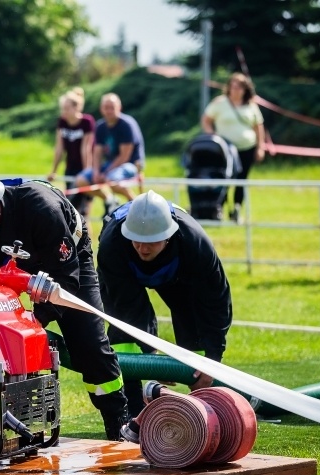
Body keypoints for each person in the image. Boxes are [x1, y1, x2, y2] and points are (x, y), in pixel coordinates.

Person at [0, 168, 130, 440]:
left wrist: (35, 318)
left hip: (65, 261)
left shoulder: (42, 209)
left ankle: (117, 421)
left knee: (88, 343)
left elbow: (67, 279)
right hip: (8, 264)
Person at [97, 190, 232, 418]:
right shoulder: (112, 245)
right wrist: (151, 358)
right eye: (137, 241)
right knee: (123, 333)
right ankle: (129, 413)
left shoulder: (195, 244)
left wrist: (212, 360)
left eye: (151, 242)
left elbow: (215, 302)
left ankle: (201, 411)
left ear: (169, 236)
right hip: (124, 279)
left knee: (194, 330)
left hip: (179, 277)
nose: (143, 248)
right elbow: (131, 310)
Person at [201, 73, 265, 223]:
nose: (236, 90)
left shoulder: (251, 105)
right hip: (224, 149)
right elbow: (206, 120)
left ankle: (236, 209)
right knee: (224, 178)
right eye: (233, 86)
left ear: (245, 89)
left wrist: (260, 147)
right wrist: (212, 136)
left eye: (239, 87)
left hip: (247, 147)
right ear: (228, 88)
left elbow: (258, 126)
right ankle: (219, 208)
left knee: (241, 180)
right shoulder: (219, 103)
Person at [75, 93, 140, 214]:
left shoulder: (127, 125)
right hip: (110, 165)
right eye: (106, 107)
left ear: (119, 108)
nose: (109, 111)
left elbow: (124, 156)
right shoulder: (100, 126)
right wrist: (95, 171)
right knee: (81, 181)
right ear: (101, 109)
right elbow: (97, 152)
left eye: (112, 107)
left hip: (131, 164)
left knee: (112, 179)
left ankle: (136, 203)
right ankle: (110, 200)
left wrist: (105, 173)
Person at [47, 87, 95, 219]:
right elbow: (59, 148)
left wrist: (86, 174)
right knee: (71, 211)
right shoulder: (62, 122)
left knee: (84, 214)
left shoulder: (87, 122)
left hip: (86, 168)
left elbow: (86, 148)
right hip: (70, 168)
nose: (64, 112)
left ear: (76, 108)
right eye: (63, 108)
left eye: (67, 108)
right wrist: (54, 171)